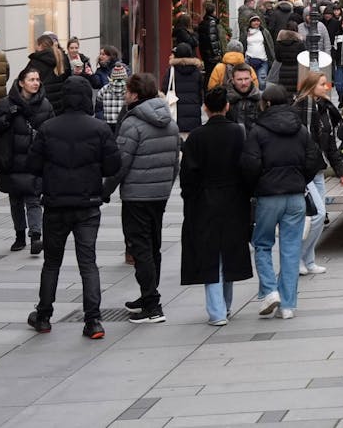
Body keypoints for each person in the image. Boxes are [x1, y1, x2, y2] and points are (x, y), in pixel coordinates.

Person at [24, 76, 122, 339]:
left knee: (52, 263)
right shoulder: (99, 128)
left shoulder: (48, 128)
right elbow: (114, 166)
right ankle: (93, 321)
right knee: (88, 263)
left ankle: (43, 315)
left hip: (55, 204)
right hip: (87, 204)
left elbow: (32, 165)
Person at [241, 84, 320, 320]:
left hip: (268, 196)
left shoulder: (257, 130)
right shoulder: (301, 129)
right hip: (295, 196)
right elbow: (313, 159)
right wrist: (299, 180)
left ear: (265, 103)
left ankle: (269, 290)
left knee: (262, 244)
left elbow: (251, 165)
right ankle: (288, 305)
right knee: (291, 249)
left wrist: (254, 187)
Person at [107, 73, 180, 324]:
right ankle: (149, 293)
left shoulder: (132, 122)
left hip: (137, 196)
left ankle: (152, 304)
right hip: (158, 196)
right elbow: (174, 164)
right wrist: (165, 188)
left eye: (127, 91)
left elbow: (120, 162)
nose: (125, 95)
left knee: (140, 248)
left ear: (135, 94)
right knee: (153, 245)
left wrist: (105, 190)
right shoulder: (169, 122)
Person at [179, 89, 255, 326]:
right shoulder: (238, 133)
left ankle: (217, 311)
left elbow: (187, 177)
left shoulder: (195, 137)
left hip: (204, 201)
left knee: (210, 255)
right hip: (234, 198)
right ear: (227, 107)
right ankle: (226, 305)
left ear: (205, 108)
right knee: (230, 252)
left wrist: (190, 199)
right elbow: (247, 166)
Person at [0, 67, 52, 254]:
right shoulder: (6, 104)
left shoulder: (45, 105)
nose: (35, 83)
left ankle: (35, 237)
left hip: (33, 161)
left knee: (33, 200)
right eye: (31, 79)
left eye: (37, 79)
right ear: (21, 82)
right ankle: (19, 236)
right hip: (11, 160)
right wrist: (8, 117)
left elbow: (51, 130)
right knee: (15, 201)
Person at [296, 70, 343, 276]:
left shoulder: (324, 108)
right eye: (322, 84)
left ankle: (308, 259)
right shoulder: (301, 108)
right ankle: (300, 257)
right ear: (311, 87)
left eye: (326, 84)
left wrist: (339, 168)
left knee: (319, 214)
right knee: (317, 213)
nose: (326, 88)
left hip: (319, 169)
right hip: (306, 170)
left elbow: (329, 142)